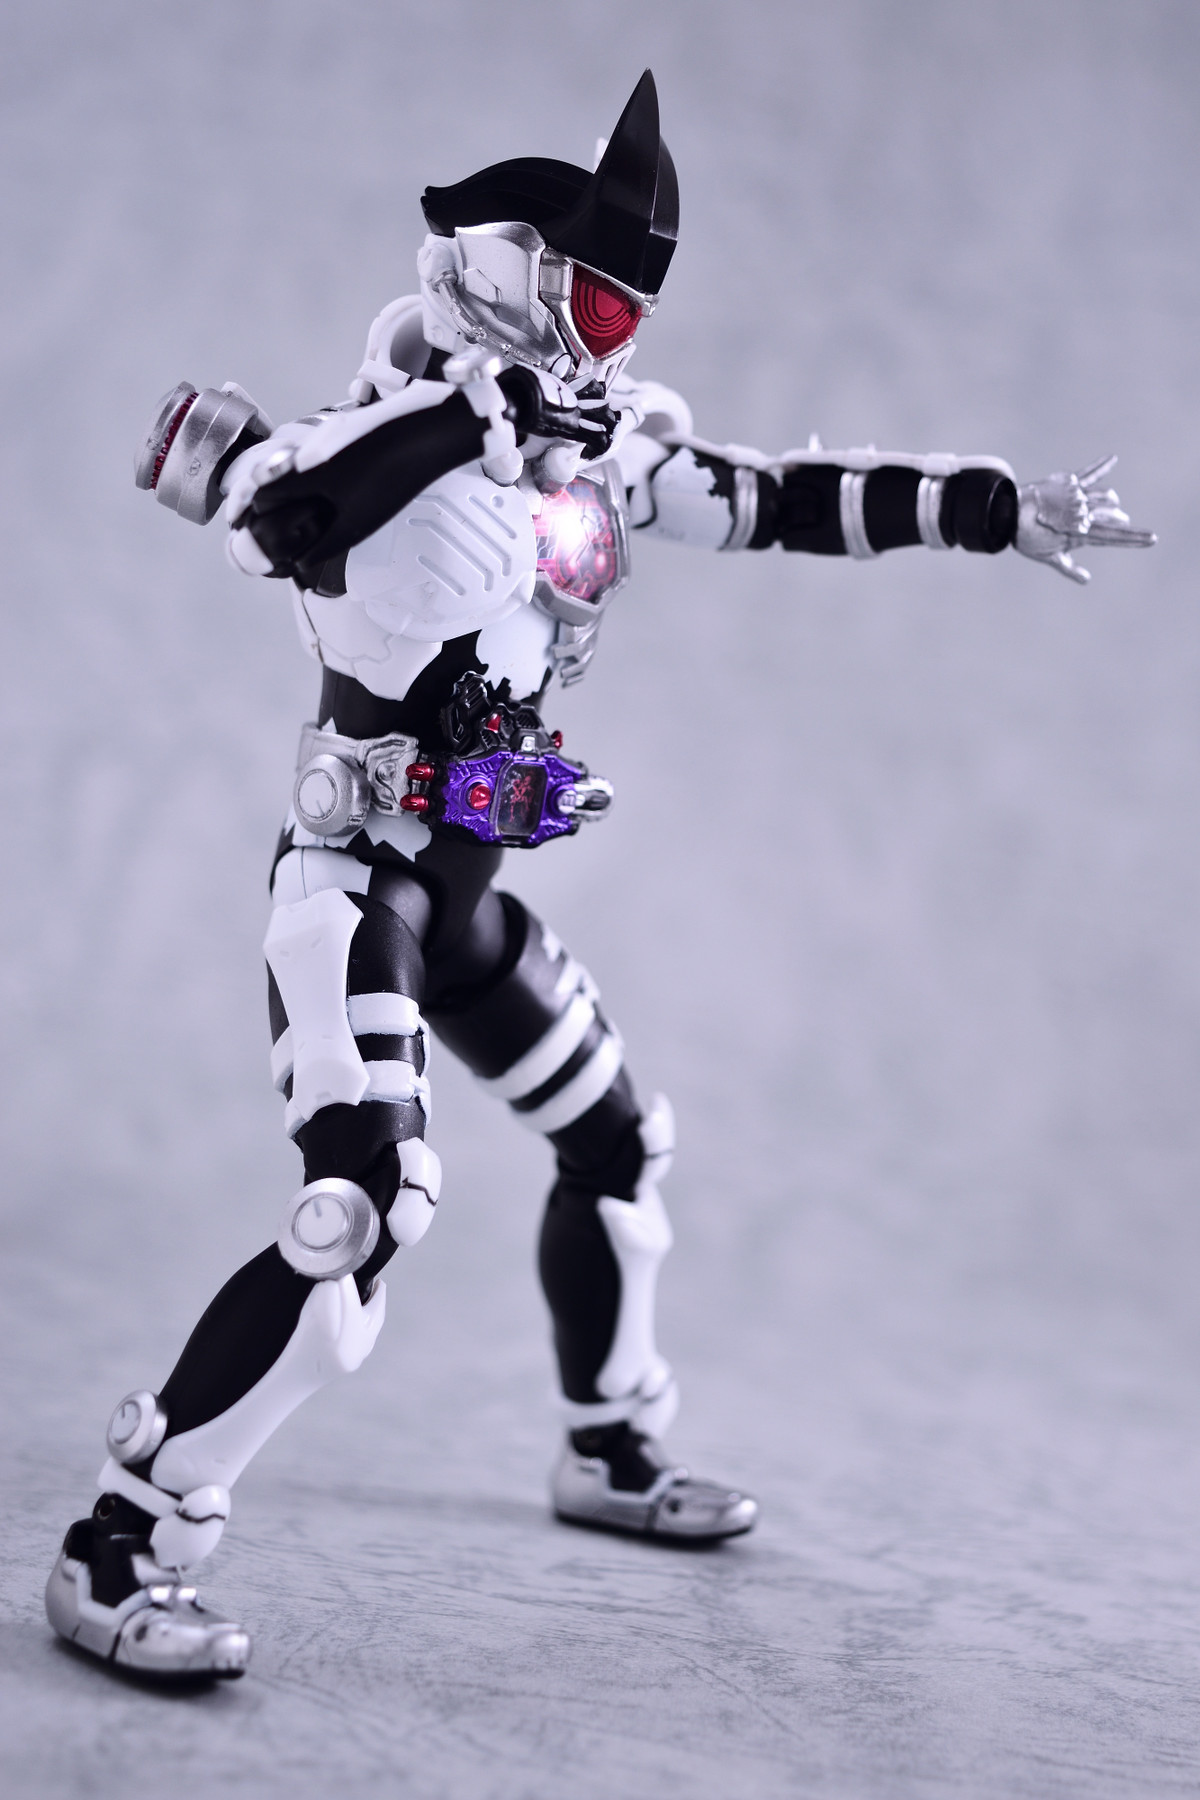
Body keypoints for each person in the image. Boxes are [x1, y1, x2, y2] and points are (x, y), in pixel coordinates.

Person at [45, 71, 1154, 1681]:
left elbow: (770, 498)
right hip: (355, 889)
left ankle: (610, 1442)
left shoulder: (594, 451)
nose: (607, 338)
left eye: (626, 312)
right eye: (592, 298)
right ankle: (120, 1542)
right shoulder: (387, 436)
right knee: (365, 1202)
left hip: (468, 904)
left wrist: (987, 506)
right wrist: (460, 422)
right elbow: (280, 520)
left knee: (620, 1140)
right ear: (506, 270)